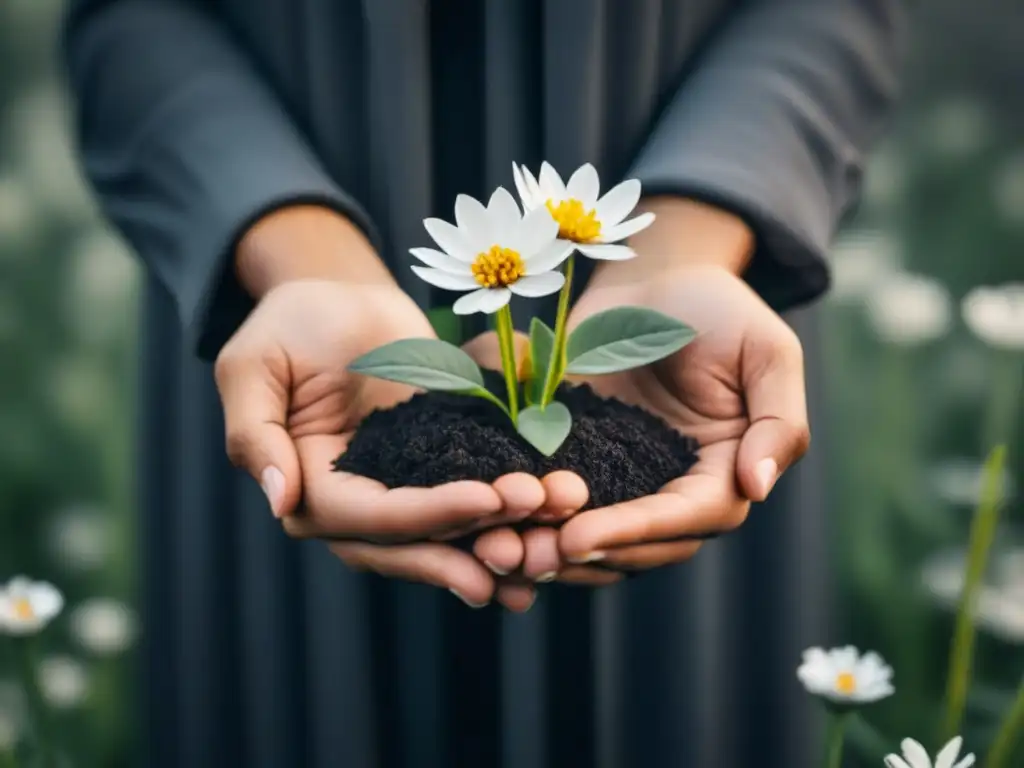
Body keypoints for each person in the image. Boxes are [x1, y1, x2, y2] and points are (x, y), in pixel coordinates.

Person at [62, 1, 908, 766]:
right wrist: (291, 253)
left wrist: (685, 245)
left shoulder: (648, 322)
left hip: (696, 301)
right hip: (277, 304)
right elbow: (127, 19)